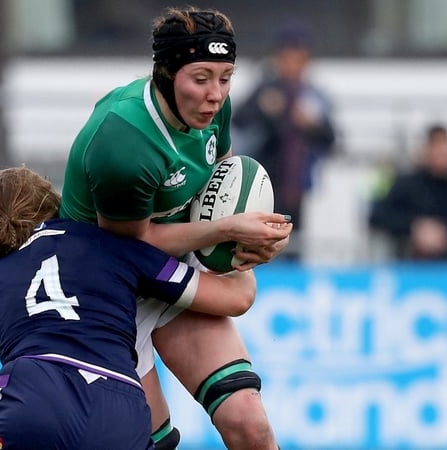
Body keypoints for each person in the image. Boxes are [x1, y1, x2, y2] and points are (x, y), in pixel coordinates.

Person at [60, 6, 292, 449]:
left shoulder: (212, 110)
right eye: (201, 77)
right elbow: (132, 241)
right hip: (106, 294)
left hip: (162, 270)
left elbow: (217, 182)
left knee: (249, 422)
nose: (216, 94)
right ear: (165, 73)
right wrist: (227, 229)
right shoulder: (124, 141)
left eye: (226, 77)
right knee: (155, 443)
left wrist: (244, 244)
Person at [0, 166, 262, 450]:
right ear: (55, 205)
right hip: (121, 405)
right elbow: (236, 299)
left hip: (34, 397)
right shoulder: (111, 244)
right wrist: (237, 255)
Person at [232, 19, 336, 259]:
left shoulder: (313, 95)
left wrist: (312, 125)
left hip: (296, 189)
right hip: (264, 185)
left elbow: (331, 139)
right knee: (259, 242)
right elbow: (239, 120)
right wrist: (264, 109)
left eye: (300, 57)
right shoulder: (266, 89)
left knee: (292, 244)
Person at [368, 123, 447, 260]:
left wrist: (444, 233)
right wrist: (415, 228)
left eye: (444, 148)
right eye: (436, 147)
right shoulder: (407, 183)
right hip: (411, 263)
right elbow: (377, 216)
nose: (441, 154)